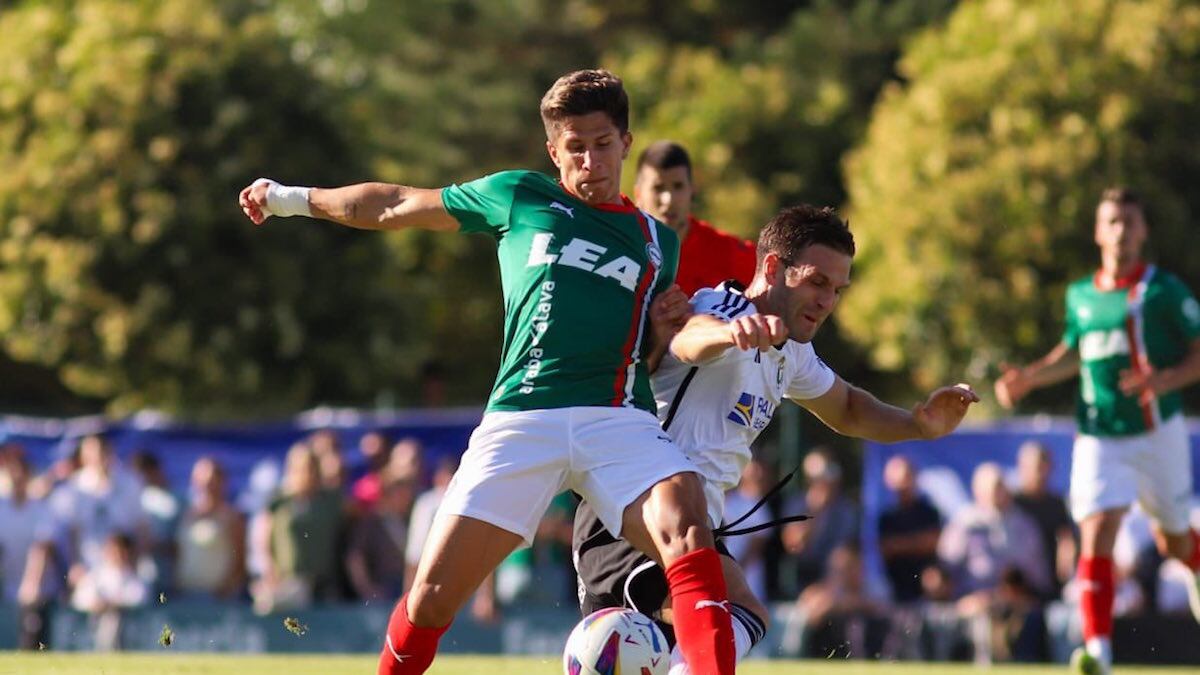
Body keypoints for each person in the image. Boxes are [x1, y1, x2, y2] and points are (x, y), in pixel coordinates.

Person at [240, 69, 738, 675]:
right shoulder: (521, 195)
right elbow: (397, 203)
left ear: (626, 143)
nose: (590, 159)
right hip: (523, 418)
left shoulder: (658, 241)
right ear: (553, 152)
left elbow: (654, 353)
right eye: (574, 146)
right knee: (430, 599)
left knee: (687, 523)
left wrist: (673, 328)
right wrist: (290, 198)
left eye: (603, 143)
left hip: (618, 420)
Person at [573, 204, 979, 673]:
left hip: (691, 523)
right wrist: (730, 334)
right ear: (772, 268)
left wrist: (918, 424)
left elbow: (849, 408)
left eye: (837, 290)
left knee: (743, 616)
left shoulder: (793, 353)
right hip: (634, 511)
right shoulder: (723, 308)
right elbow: (688, 338)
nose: (827, 301)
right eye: (817, 282)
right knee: (713, 633)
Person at [994, 188, 1200, 674]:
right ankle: (1098, 652)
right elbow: (1072, 351)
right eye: (1111, 221)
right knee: (1097, 529)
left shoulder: (1164, 291)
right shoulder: (1081, 295)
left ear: (1143, 231)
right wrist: (1028, 377)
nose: (1120, 231)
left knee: (1173, 542)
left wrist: (1164, 380)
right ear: (1097, 231)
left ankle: (1194, 565)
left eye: (1129, 221)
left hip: (1156, 433)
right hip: (1099, 435)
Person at [632, 141, 756, 296]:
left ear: (692, 190)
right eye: (658, 188)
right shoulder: (620, 248)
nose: (668, 199)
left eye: (678, 186)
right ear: (638, 194)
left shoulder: (728, 253)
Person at [1010, 440, 1075, 600]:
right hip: (1019, 584)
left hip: (1049, 581)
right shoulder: (1012, 503)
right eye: (1034, 467)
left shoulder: (1056, 504)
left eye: (1043, 466)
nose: (1039, 473)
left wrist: (1066, 555)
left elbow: (1065, 536)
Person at [878, 454, 942, 605]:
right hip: (897, 586)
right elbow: (886, 548)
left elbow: (933, 542)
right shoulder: (887, 516)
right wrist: (917, 543)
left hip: (926, 586)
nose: (902, 486)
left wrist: (900, 545)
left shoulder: (929, 511)